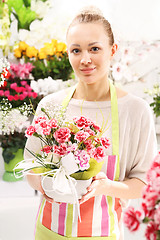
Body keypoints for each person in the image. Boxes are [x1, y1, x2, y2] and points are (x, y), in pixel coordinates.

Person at [24, 6, 157, 240]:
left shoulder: (136, 111)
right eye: (76, 50)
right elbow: (30, 167)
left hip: (103, 234)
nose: (85, 59)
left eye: (95, 48)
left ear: (112, 50)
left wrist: (106, 187)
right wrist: (46, 185)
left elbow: (143, 182)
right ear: (68, 54)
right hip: (48, 232)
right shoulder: (50, 105)